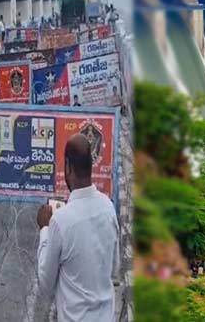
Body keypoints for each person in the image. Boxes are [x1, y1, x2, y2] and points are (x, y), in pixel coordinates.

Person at [36, 135, 119, 322]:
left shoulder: (60, 221)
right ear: (91, 166)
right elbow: (114, 268)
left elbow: (46, 283)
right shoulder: (108, 208)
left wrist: (44, 230)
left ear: (67, 166)